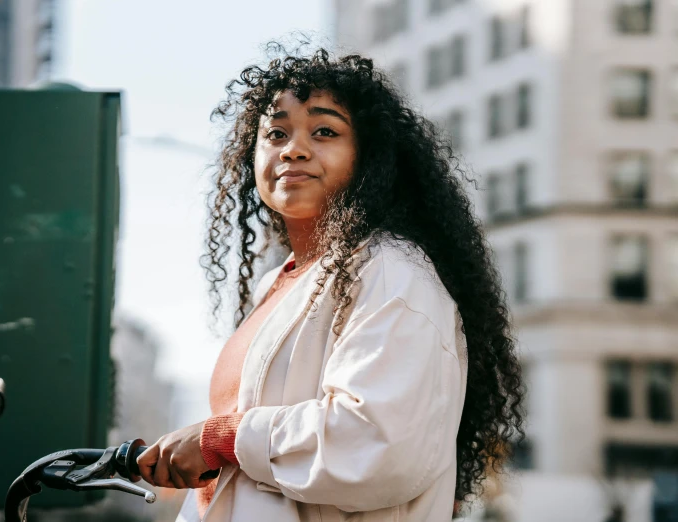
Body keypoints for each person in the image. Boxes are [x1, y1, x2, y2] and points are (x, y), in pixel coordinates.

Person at [137, 43, 526, 522]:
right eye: (275, 132)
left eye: (325, 131)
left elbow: (375, 443)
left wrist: (220, 439)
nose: (293, 148)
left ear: (370, 158)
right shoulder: (279, 285)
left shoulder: (389, 270)